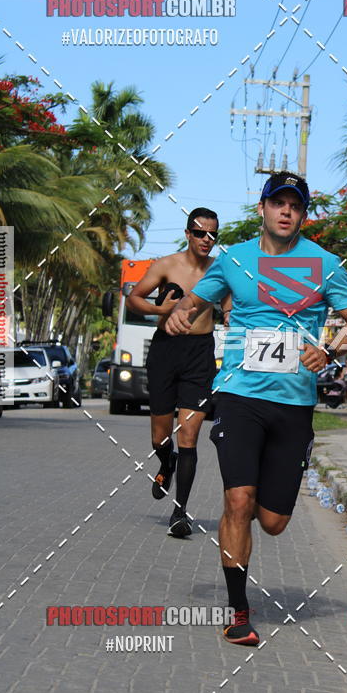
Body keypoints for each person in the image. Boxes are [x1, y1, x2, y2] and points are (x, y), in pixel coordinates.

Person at [166, 171, 347, 644]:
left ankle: (253, 505)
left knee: (274, 522)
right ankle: (238, 612)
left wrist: (333, 348)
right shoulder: (235, 259)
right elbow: (200, 298)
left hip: (294, 404)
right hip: (239, 397)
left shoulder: (324, 264)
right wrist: (183, 312)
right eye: (277, 203)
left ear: (302, 214)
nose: (285, 212)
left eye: (294, 206)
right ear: (261, 208)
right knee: (238, 501)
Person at [126, 208, 231, 538]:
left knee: (189, 435)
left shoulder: (220, 271)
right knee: (161, 437)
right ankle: (165, 461)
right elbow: (134, 299)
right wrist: (161, 309)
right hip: (165, 350)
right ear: (188, 234)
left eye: (212, 234)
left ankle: (180, 512)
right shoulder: (166, 265)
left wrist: (233, 318)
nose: (206, 239)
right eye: (200, 233)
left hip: (200, 354)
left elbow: (229, 308)